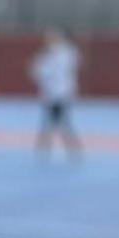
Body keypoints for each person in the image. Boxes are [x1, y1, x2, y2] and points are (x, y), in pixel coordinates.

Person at [29, 27, 84, 160]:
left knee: (58, 121)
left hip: (60, 93)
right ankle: (50, 148)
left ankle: (65, 148)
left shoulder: (63, 53)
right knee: (55, 121)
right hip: (53, 93)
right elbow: (38, 72)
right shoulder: (54, 53)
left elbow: (42, 71)